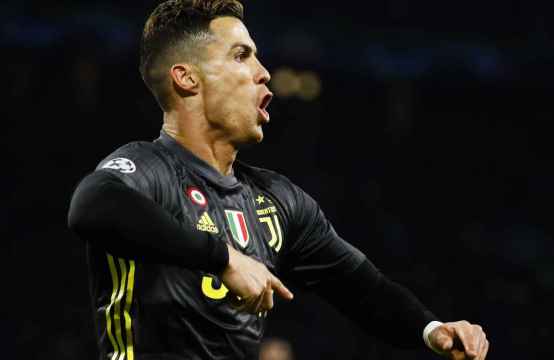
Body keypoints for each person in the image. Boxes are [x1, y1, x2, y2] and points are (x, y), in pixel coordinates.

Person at [67, 1, 489, 359]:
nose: (263, 72)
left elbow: (363, 289)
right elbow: (91, 206)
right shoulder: (148, 168)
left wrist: (432, 330)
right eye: (241, 55)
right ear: (187, 78)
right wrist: (224, 258)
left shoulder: (277, 200)